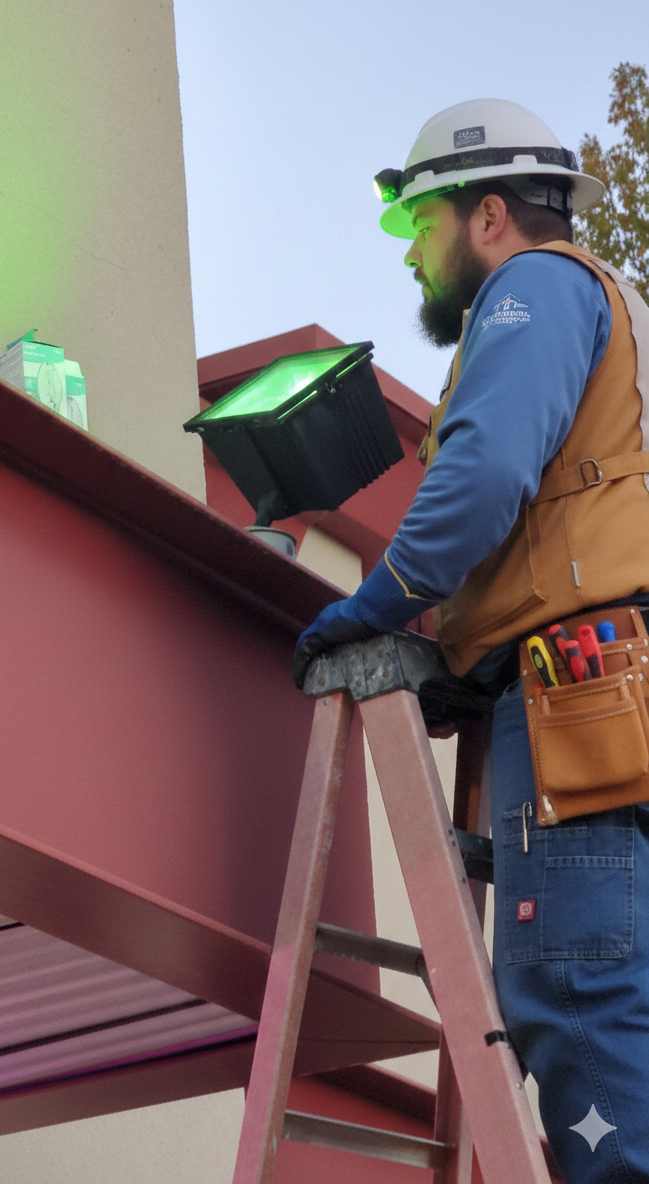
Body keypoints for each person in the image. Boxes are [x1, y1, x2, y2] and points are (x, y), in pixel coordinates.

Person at [294, 98, 649, 1183]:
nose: (411, 255)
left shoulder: (534, 289)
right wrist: (462, 653)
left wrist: (381, 599)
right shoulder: (620, 308)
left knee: (580, 991)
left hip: (581, 690)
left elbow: (488, 473)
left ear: (489, 213)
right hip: (610, 682)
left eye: (421, 226)